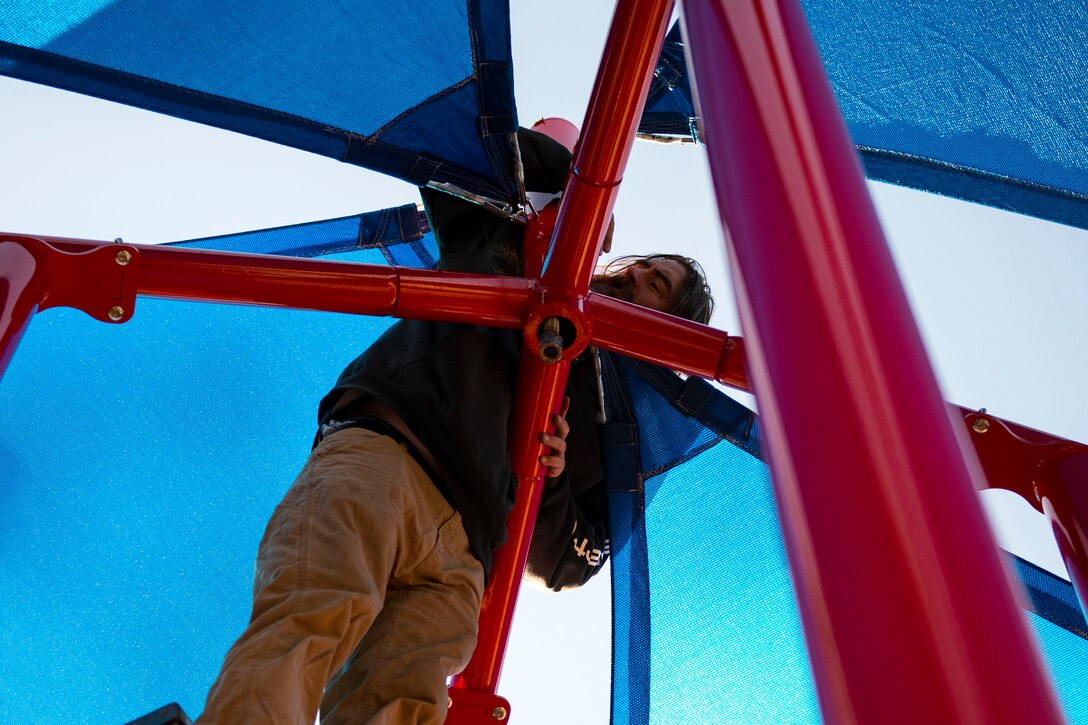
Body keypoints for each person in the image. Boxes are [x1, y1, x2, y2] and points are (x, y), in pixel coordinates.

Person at [197, 128, 713, 724]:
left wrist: (554, 477)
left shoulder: (616, 429)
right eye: (640, 264)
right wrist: (583, 198)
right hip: (391, 455)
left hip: (465, 553)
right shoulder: (517, 255)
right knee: (309, 624)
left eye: (656, 284)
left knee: (399, 708)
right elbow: (476, 151)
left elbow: (571, 561)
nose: (633, 274)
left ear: (670, 338)